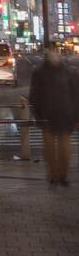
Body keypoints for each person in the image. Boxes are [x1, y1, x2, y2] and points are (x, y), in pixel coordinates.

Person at [29, 49, 79, 185]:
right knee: (55, 147)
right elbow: (34, 96)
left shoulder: (42, 72)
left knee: (59, 147)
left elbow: (76, 95)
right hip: (54, 115)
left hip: (57, 115)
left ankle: (59, 174)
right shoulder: (67, 72)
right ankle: (57, 174)